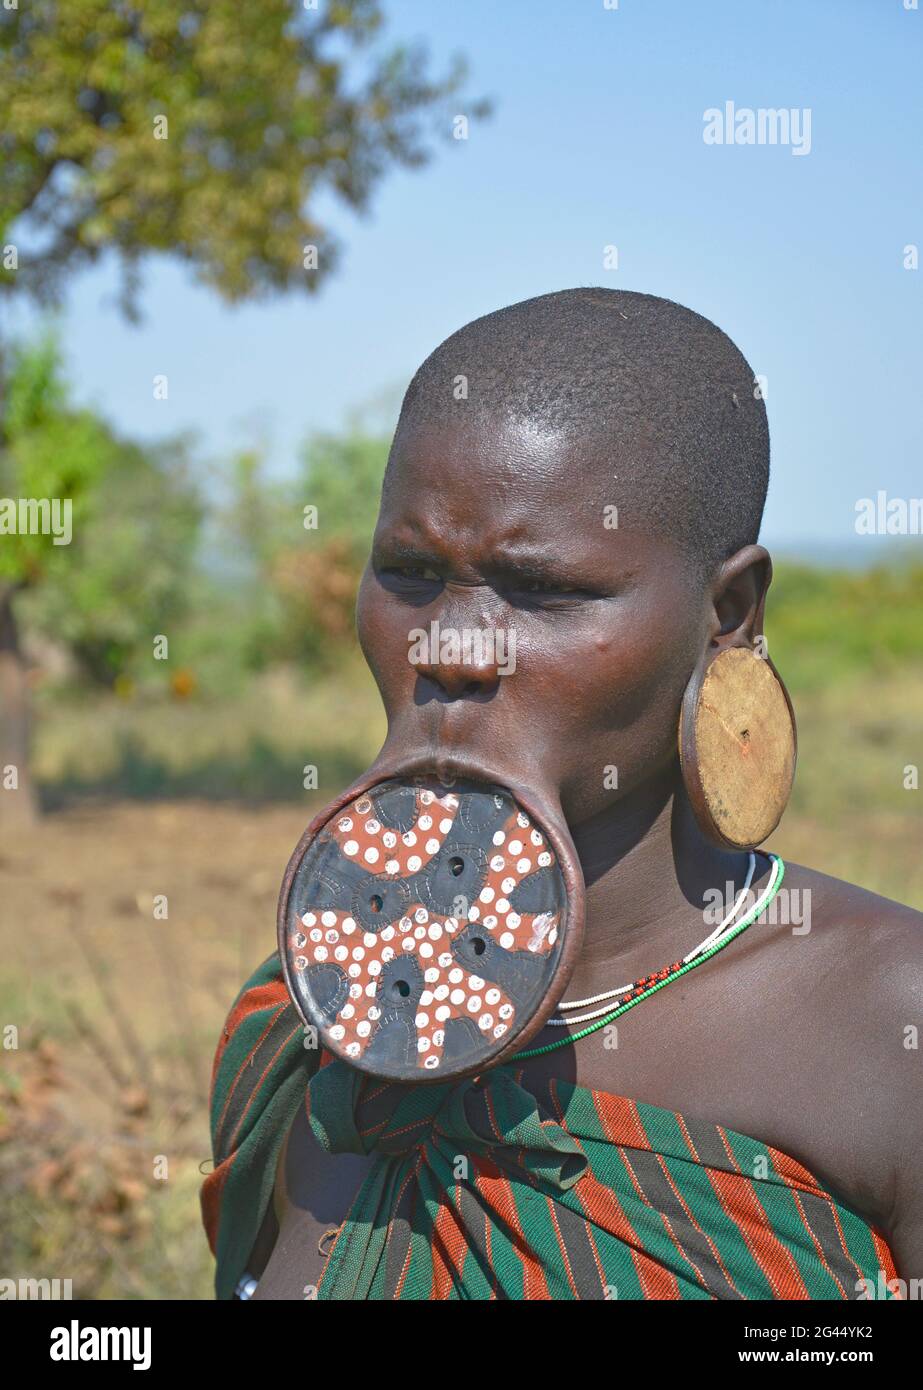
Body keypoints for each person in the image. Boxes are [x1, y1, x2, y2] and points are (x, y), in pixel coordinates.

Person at [201, 289, 922, 1300]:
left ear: (727, 614)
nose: (449, 645)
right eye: (408, 572)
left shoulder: (888, 1023)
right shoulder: (304, 1014)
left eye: (541, 589)